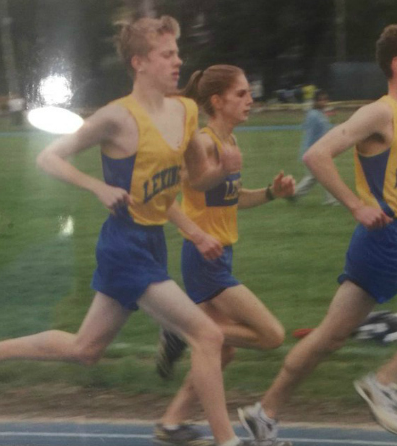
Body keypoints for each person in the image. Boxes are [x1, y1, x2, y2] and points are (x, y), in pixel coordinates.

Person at [0, 15, 254, 446]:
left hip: (151, 244)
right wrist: (96, 185)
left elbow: (195, 181)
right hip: (123, 246)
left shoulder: (186, 111)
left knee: (85, 350)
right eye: (167, 54)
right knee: (207, 334)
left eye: (177, 52)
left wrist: (219, 174)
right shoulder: (116, 118)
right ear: (139, 62)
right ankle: (227, 441)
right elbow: (49, 158)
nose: (178, 61)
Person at [238, 23, 397, 439]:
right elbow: (317, 155)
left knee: (328, 339)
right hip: (383, 243)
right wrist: (356, 206)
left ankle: (264, 412)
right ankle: (383, 383)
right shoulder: (379, 113)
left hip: (388, 239)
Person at [153, 65, 295, 446]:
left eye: (249, 93)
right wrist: (221, 172)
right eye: (241, 94)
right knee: (270, 335)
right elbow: (185, 187)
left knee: (222, 350)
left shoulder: (229, 142)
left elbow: (232, 197)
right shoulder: (204, 142)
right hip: (205, 258)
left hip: (220, 253)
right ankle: (181, 328)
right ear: (217, 101)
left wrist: (269, 193)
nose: (250, 100)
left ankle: (172, 422)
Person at [291, 89, 338, 205]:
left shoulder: (320, 114)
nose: (324, 102)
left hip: (320, 150)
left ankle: (330, 199)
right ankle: (294, 194)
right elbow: (310, 134)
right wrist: (310, 152)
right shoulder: (313, 115)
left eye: (325, 99)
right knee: (317, 176)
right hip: (314, 151)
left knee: (322, 175)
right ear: (315, 101)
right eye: (321, 100)